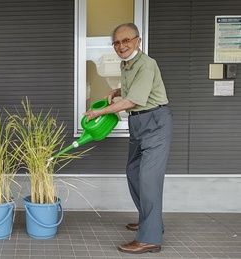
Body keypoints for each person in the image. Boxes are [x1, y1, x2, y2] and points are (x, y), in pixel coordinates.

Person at [84, 23, 172, 254]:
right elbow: (132, 90)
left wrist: (98, 112)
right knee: (133, 172)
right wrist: (117, 91)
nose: (121, 46)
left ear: (138, 40)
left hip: (155, 122)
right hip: (138, 123)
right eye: (117, 42)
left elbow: (133, 101)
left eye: (126, 40)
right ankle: (150, 221)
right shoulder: (127, 64)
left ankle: (149, 238)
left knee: (148, 178)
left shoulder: (146, 64)